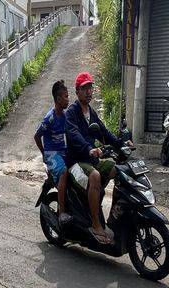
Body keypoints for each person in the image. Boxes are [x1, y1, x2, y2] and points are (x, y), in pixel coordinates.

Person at [65, 72, 129, 244]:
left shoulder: (91, 112)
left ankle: (114, 216)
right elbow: (73, 134)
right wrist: (89, 149)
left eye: (90, 87)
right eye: (84, 88)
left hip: (91, 160)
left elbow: (103, 132)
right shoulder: (71, 112)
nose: (88, 91)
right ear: (77, 91)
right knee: (95, 176)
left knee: (118, 170)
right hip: (76, 162)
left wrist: (121, 144)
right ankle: (95, 225)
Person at [34, 80, 71, 224]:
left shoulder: (66, 116)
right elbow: (37, 136)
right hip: (51, 154)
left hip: (63, 152)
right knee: (64, 172)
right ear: (58, 99)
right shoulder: (49, 117)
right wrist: (44, 154)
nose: (68, 99)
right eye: (66, 96)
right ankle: (61, 212)